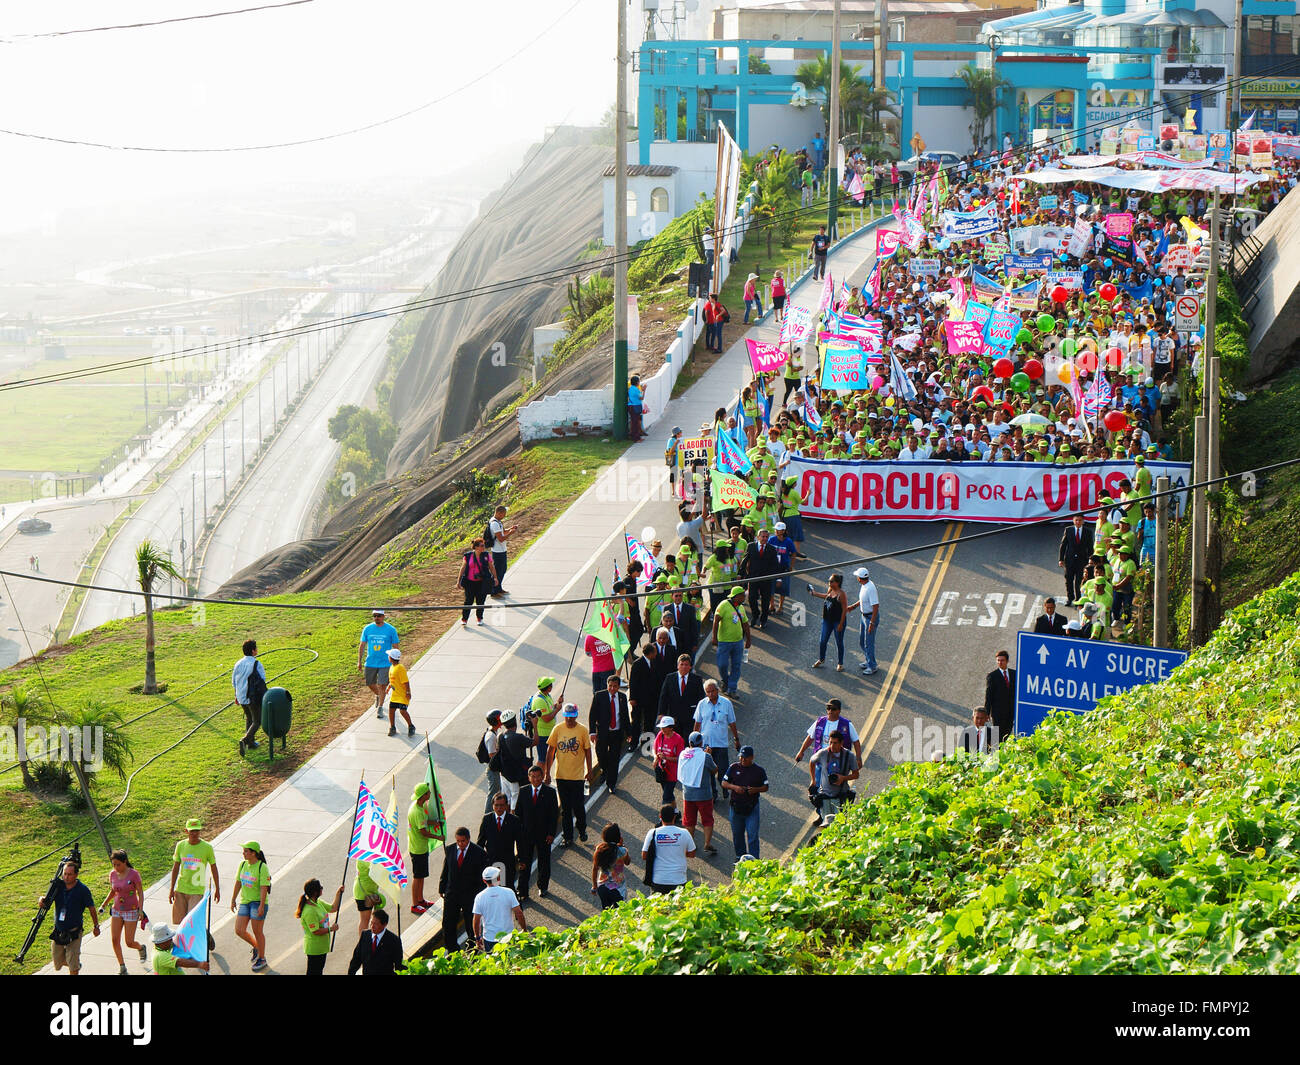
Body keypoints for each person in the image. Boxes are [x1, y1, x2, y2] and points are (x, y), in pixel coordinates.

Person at [544, 704, 593, 845]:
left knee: (578, 806)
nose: (569, 720)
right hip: (561, 776)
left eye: (572, 717)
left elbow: (588, 751)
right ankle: (568, 837)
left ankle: (582, 829)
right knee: (565, 809)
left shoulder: (582, 730)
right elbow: (550, 751)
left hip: (577, 777)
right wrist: (547, 772)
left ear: (576, 716)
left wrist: (589, 770)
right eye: (567, 717)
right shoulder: (558, 729)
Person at [42, 858, 99, 975]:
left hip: (74, 933)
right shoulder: (58, 886)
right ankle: (75, 965)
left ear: (76, 875)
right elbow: (44, 899)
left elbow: (92, 909)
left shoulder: (83, 890)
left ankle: (74, 968)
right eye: (65, 874)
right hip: (58, 932)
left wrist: (96, 926)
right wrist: (40, 900)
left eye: (69, 874)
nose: (66, 877)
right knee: (58, 963)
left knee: (72, 965)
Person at [438, 827, 488, 952]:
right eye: (458, 841)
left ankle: (473, 950)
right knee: (448, 924)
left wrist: (480, 894)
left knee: (471, 925)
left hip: (470, 895)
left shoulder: (479, 852)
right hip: (452, 894)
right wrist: (442, 887)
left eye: (463, 841)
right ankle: (452, 950)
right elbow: (446, 870)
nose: (460, 844)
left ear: (469, 839)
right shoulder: (450, 850)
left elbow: (482, 877)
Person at [514, 764, 558, 902]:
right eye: (533, 777)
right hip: (526, 836)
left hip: (544, 836)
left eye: (538, 776)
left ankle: (543, 886)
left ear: (543, 776)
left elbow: (553, 816)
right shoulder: (523, 791)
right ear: (529, 778)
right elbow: (518, 813)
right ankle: (523, 890)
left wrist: (551, 833)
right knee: (524, 863)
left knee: (544, 862)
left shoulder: (550, 793)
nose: (536, 779)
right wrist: (519, 834)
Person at [100, 849, 146, 975]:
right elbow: (113, 891)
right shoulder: (112, 874)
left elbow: (140, 893)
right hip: (116, 911)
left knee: (129, 942)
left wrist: (140, 910)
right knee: (115, 940)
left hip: (131, 911)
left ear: (125, 861)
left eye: (118, 864)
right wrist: (104, 904)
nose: (115, 867)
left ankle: (141, 948)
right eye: (113, 864)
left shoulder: (134, 874)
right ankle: (122, 967)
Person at [794, 698, 862, 782]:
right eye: (828, 708)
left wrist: (858, 758)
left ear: (839, 710)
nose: (830, 711)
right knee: (817, 784)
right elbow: (810, 738)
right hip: (821, 759)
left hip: (839, 761)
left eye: (833, 709)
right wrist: (801, 752)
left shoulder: (847, 724)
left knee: (835, 785)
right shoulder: (820, 721)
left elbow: (856, 742)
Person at [692, 679, 738, 801]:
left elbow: (732, 722)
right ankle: (714, 793)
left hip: (721, 743)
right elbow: (697, 723)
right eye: (708, 692)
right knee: (709, 771)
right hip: (706, 745)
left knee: (722, 769)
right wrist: (694, 741)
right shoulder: (701, 704)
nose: (711, 694)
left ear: (717, 690)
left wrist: (736, 739)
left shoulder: (726, 703)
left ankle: (724, 788)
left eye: (713, 691)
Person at [721, 745, 769, 859]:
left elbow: (766, 787)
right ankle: (740, 857)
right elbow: (724, 783)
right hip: (735, 808)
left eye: (745, 758)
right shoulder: (733, 767)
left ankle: (754, 860)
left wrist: (755, 790)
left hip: (751, 808)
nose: (742, 760)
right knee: (737, 835)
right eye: (741, 757)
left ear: (752, 757)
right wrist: (735, 787)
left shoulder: (759, 771)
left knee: (752, 835)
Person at [230, 841, 271, 971]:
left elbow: (264, 887)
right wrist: (233, 899)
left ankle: (262, 958)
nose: (243, 853)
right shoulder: (242, 865)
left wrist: (261, 906)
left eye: (246, 851)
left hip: (258, 903)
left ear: (254, 853)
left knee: (257, 931)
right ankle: (257, 947)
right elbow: (238, 882)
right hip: (245, 902)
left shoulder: (262, 867)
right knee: (239, 930)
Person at [170, 817, 219, 925]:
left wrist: (217, 889)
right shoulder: (181, 845)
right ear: (186, 831)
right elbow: (176, 867)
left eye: (197, 830)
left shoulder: (207, 847)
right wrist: (171, 888)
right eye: (192, 831)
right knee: (179, 923)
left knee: (192, 923)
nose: (195, 833)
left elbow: (214, 868)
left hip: (196, 890)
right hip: (181, 889)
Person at [588, 673, 631, 795]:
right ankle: (604, 771)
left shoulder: (622, 697)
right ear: (607, 685)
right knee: (601, 754)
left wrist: (629, 732)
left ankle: (611, 783)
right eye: (610, 686)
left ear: (618, 687)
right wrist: (592, 732)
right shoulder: (599, 696)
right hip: (602, 733)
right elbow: (592, 716)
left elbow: (625, 716)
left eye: (615, 686)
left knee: (614, 759)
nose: (612, 688)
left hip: (616, 733)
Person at [680, 732, 721, 855]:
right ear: (701, 743)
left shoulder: (683, 754)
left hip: (688, 794)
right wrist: (708, 755)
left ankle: (690, 844)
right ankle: (707, 843)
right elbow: (714, 770)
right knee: (707, 820)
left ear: (690, 743)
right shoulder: (705, 757)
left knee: (689, 821)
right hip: (704, 794)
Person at [641, 803, 696, 894]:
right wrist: (681, 851)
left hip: (659, 880)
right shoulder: (684, 833)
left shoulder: (653, 833)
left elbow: (644, 855)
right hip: (679, 880)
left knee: (658, 907)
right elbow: (692, 853)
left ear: (660, 817)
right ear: (674, 817)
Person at [808, 730, 859, 824]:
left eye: (835, 743)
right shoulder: (822, 753)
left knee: (840, 824)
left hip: (840, 796)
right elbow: (812, 761)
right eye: (830, 742)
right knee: (827, 824)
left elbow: (856, 774)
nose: (832, 745)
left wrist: (843, 778)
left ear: (841, 743)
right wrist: (813, 780)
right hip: (825, 796)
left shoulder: (849, 756)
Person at [478, 792, 524, 893]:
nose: (499, 808)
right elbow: (480, 843)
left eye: (502, 805)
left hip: (507, 863)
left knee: (508, 890)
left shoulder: (514, 820)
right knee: (493, 891)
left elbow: (520, 842)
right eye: (496, 805)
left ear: (507, 806)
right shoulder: (487, 819)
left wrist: (521, 860)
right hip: (491, 862)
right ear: (493, 806)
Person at [472, 866, 526, 952]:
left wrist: (478, 938)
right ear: (498, 878)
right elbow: (519, 913)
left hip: (490, 939)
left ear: (484, 881)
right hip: (508, 936)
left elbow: (476, 920)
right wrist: (524, 930)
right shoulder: (508, 892)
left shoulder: (479, 897)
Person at [297, 879, 344, 975]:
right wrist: (331, 929)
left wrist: (338, 893)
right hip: (315, 949)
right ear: (315, 892)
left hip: (321, 947)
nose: (322, 889)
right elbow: (316, 931)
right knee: (314, 972)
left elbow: (333, 908)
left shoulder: (318, 902)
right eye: (320, 888)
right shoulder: (309, 911)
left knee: (318, 971)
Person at [358, 607, 399, 719]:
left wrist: (396, 662)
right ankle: (378, 695)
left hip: (385, 663)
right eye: (374, 616)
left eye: (379, 616)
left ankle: (380, 707)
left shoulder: (391, 630)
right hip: (370, 662)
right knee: (370, 683)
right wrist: (359, 661)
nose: (376, 618)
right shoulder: (368, 629)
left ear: (383, 617)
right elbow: (362, 645)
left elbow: (395, 646)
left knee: (382, 685)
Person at [712, 586, 752, 696]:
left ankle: (732, 689)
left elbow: (745, 624)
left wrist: (748, 639)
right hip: (724, 642)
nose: (744, 597)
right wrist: (714, 637)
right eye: (743, 595)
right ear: (736, 596)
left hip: (738, 642)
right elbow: (716, 621)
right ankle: (726, 680)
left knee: (736, 666)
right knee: (722, 665)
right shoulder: (723, 605)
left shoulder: (741, 608)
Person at [231, 638, 267, 757]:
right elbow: (262, 680)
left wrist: (236, 695)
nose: (257, 650)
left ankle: (251, 743)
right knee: (257, 721)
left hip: (241, 696)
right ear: (253, 651)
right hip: (252, 697)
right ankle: (245, 740)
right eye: (256, 648)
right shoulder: (256, 664)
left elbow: (234, 681)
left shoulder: (238, 663)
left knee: (249, 718)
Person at [408, 782, 438, 915]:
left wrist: (434, 823)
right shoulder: (417, 811)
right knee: (417, 876)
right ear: (423, 795)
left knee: (421, 876)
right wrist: (438, 837)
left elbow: (424, 822)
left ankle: (420, 900)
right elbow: (423, 832)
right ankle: (415, 903)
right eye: (428, 792)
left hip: (419, 847)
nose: (430, 794)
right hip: (418, 848)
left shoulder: (419, 807)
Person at [741, 528, 780, 629]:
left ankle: (764, 619)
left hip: (766, 580)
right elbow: (745, 560)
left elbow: (775, 565)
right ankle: (755, 615)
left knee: (765, 600)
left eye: (767, 537)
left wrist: (777, 578)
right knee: (752, 598)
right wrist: (740, 574)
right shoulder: (751, 546)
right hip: (753, 578)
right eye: (763, 536)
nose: (765, 539)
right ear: (758, 537)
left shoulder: (772, 549)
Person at [347, 908, 405, 974]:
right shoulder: (365, 935)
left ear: (384, 925)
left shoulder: (394, 940)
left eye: (376, 924)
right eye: (371, 923)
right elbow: (356, 959)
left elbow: (399, 965)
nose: (372, 926)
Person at [658, 652, 706, 731]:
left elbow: (701, 698)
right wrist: (661, 713)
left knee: (688, 741)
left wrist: (701, 714)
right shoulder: (670, 678)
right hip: (673, 716)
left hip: (690, 716)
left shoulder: (697, 679)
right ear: (678, 666)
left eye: (686, 665)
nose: (684, 667)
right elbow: (664, 696)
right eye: (682, 664)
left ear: (690, 666)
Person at [495, 709, 533, 809]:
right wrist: (535, 726)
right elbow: (535, 742)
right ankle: (513, 819)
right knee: (515, 797)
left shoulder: (500, 736)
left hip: (504, 774)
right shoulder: (518, 737)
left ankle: (505, 817)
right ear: (515, 722)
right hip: (515, 775)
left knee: (506, 798)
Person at [846, 567, 880, 675]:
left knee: (868, 643)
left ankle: (872, 666)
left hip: (870, 618)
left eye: (857, 576)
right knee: (862, 641)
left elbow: (875, 606)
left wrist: (872, 623)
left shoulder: (870, 588)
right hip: (864, 616)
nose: (856, 577)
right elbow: (863, 600)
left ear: (860, 578)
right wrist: (853, 606)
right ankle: (868, 660)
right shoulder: (864, 586)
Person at [811, 573, 848, 670]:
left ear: (837, 583)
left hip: (837, 621)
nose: (829, 583)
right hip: (827, 620)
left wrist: (841, 624)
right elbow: (826, 596)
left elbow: (845, 609)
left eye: (831, 581)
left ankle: (840, 663)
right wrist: (815, 594)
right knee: (822, 641)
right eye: (829, 581)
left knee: (839, 642)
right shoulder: (831, 590)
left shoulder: (841, 594)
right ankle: (821, 659)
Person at [629, 641, 662, 750]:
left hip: (652, 698)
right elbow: (632, 682)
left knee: (650, 720)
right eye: (655, 652)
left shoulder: (655, 662)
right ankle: (633, 743)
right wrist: (632, 698)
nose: (656, 654)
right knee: (636, 722)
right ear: (650, 653)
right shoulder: (637, 664)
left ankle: (647, 742)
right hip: (639, 699)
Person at [458, 536, 496, 626]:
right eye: (482, 545)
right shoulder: (468, 556)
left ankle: (479, 618)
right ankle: (464, 619)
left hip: (482, 582)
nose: (484, 547)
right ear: (476, 547)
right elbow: (463, 568)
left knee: (480, 601)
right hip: (470, 582)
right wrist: (458, 580)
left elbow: (491, 567)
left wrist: (495, 577)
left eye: (484, 545)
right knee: (468, 601)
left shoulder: (486, 555)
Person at [592, 825, 632, 908]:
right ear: (618, 837)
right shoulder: (622, 850)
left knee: (607, 912)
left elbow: (595, 869)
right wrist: (622, 846)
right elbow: (627, 862)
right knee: (621, 912)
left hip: (602, 887)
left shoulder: (599, 849)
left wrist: (594, 886)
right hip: (618, 888)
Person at [1059, 513, 1094, 606]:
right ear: (1073, 521)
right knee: (1069, 580)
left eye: (1080, 520)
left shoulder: (1088, 532)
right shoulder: (1068, 530)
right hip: (1069, 560)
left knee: (1079, 580)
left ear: (1083, 521)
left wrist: (1091, 560)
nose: (1078, 522)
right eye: (1076, 520)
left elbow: (1090, 547)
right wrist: (1061, 559)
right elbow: (1063, 545)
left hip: (1082, 560)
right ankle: (1070, 598)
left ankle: (1078, 599)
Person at [983, 649, 1016, 742]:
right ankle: (995, 751)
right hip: (998, 712)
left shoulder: (1014, 674)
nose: (1000, 662)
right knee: (997, 733)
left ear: (1007, 661)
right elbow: (988, 695)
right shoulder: (992, 676)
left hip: (1010, 711)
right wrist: (987, 712)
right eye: (998, 660)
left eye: (1002, 660)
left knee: (1008, 731)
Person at [653, 715, 686, 805]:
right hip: (662, 771)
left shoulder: (678, 739)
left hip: (672, 773)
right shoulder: (660, 735)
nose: (662, 729)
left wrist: (666, 758)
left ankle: (665, 817)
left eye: (664, 727)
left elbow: (680, 758)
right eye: (661, 727)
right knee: (669, 795)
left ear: (671, 728)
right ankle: (675, 812)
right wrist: (656, 757)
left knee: (666, 797)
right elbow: (654, 748)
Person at [383, 648, 415, 737]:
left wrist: (408, 692)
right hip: (395, 695)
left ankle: (411, 726)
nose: (388, 657)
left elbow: (406, 681)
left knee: (402, 711)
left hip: (402, 695)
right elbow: (393, 680)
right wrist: (389, 687)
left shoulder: (400, 668)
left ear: (391, 658)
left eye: (389, 656)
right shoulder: (391, 667)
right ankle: (392, 727)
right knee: (391, 711)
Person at [487, 504, 517, 596]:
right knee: (498, 571)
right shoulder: (494, 523)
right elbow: (500, 538)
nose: (505, 516)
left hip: (502, 550)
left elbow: (502, 532)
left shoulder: (498, 522)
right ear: (499, 513)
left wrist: (510, 529)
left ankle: (498, 588)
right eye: (504, 514)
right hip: (497, 551)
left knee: (502, 569)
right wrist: (511, 533)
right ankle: (494, 591)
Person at [352, 859, 386, 936]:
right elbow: (376, 868)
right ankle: (363, 944)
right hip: (363, 894)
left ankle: (370, 940)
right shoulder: (365, 857)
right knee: (365, 920)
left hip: (369, 891)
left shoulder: (368, 855)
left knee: (372, 919)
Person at [479, 709, 503, 815]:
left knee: (496, 790)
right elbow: (491, 754)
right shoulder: (491, 736)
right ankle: (488, 813)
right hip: (492, 769)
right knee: (493, 792)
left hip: (494, 768)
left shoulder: (493, 731)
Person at [628, 373, 646, 442]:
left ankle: (637, 437)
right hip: (635, 407)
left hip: (632, 406)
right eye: (639, 381)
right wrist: (644, 390)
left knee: (635, 422)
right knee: (635, 423)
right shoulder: (636, 389)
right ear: (637, 382)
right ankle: (635, 438)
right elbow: (641, 398)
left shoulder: (631, 388)